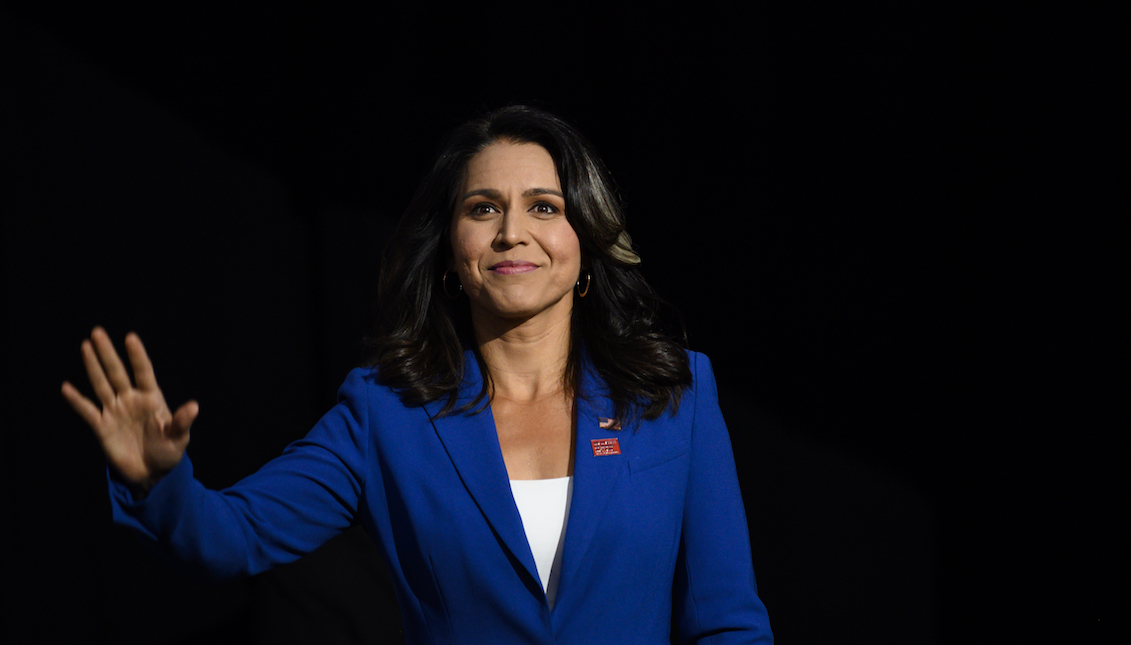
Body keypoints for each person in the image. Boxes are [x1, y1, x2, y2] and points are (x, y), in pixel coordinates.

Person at [62, 105, 773, 644]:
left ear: (585, 243)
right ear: (450, 253)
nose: (511, 232)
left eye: (544, 207)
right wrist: (157, 479)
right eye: (482, 207)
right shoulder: (384, 411)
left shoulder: (673, 394)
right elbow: (231, 536)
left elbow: (728, 621)